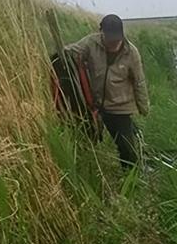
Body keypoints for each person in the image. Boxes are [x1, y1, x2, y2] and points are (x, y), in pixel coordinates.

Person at [64, 14, 150, 170]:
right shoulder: (91, 43)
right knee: (98, 137)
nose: (114, 43)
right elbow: (70, 53)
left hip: (121, 106)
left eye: (117, 39)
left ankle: (132, 177)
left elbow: (139, 82)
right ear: (101, 32)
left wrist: (144, 107)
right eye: (110, 39)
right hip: (98, 104)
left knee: (126, 146)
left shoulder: (131, 53)